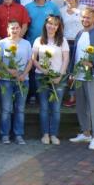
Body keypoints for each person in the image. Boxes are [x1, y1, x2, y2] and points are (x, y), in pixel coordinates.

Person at [68, 7, 94, 150]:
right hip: (79, 76)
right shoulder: (79, 33)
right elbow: (75, 55)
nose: (85, 20)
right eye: (83, 17)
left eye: (88, 17)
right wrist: (72, 72)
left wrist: (93, 63)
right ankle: (85, 133)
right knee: (81, 106)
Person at [31, 15, 69, 145]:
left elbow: (66, 60)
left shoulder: (62, 41)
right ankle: (45, 134)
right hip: (41, 77)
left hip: (58, 77)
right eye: (50, 23)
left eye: (55, 24)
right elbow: (33, 59)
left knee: (56, 108)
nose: (52, 26)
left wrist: (60, 75)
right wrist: (42, 69)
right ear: (45, 25)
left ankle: (54, 134)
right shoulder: (38, 40)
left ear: (58, 27)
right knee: (44, 107)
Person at [0, 20, 33, 144]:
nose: (15, 30)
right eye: (12, 28)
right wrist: (9, 70)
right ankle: (5, 134)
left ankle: (18, 134)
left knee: (20, 108)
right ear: (8, 30)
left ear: (20, 29)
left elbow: (30, 61)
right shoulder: (2, 43)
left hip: (22, 80)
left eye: (17, 28)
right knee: (6, 109)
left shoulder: (26, 43)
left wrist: (24, 74)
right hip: (5, 80)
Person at [24, 0, 61, 104]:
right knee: (33, 69)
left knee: (48, 67)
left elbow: (58, 23)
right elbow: (25, 24)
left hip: (50, 44)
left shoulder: (52, 6)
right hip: (32, 43)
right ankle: (33, 94)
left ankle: (47, 94)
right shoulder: (28, 7)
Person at [60, 0, 86, 107]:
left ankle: (74, 96)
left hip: (80, 42)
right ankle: (66, 94)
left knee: (77, 69)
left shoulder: (83, 8)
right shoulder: (62, 10)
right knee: (66, 69)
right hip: (65, 42)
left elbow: (89, 24)